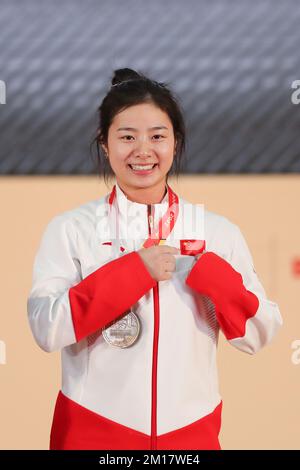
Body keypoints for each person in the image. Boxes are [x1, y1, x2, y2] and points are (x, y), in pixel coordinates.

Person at [27, 67, 283, 450]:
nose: (143, 151)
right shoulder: (72, 229)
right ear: (104, 144)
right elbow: (46, 329)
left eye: (157, 136)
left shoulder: (215, 231)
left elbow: (259, 334)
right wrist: (131, 273)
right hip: (90, 431)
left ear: (175, 143)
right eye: (127, 137)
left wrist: (218, 278)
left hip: (190, 434)